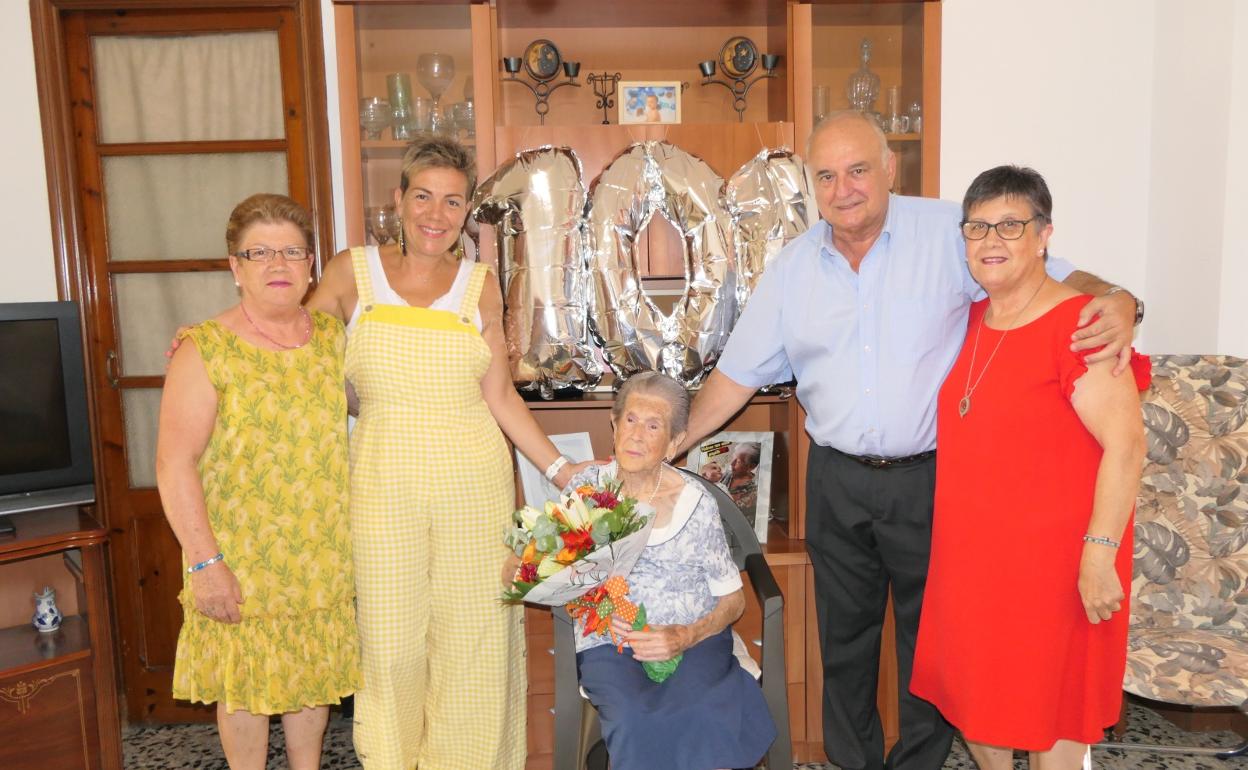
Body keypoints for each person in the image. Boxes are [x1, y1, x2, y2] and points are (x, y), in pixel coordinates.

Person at [678, 110, 1143, 770]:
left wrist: (1120, 299)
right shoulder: (793, 268)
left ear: (890, 168)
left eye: (858, 170)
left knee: (934, 641)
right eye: (826, 175)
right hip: (836, 478)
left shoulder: (953, 233)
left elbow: (1055, 279)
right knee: (844, 637)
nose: (843, 189)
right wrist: (672, 442)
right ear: (812, 183)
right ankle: (854, 762)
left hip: (933, 478)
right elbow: (734, 377)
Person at [308, 135, 592, 769]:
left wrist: (560, 468)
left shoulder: (481, 285)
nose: (436, 215)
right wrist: (217, 338)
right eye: (423, 197)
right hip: (382, 490)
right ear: (398, 200)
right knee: (390, 646)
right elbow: (292, 346)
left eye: (453, 202)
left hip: (474, 486)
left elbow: (500, 395)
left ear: (467, 213)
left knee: (475, 643)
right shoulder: (351, 273)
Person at [909, 166, 1148, 768]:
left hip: (1057, 568)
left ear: (1044, 236)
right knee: (975, 703)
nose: (991, 240)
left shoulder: (1081, 327)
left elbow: (1126, 446)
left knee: (1051, 717)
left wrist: (1099, 555)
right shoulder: (973, 319)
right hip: (973, 561)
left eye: (1011, 225)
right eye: (978, 227)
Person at [156, 193, 359, 770]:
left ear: (310, 264)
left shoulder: (333, 339)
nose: (277, 265)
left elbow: (377, 403)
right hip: (241, 558)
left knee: (312, 681)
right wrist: (205, 563)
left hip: (320, 556)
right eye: (259, 253)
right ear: (235, 266)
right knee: (244, 687)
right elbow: (173, 464)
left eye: (291, 252)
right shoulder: (204, 348)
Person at [568, 371, 776, 770]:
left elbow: (734, 601)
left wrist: (685, 635)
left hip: (692, 639)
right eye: (630, 420)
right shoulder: (585, 491)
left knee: (701, 708)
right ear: (613, 424)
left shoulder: (696, 503)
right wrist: (527, 570)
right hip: (611, 643)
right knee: (634, 718)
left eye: (653, 426)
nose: (636, 435)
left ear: (674, 442)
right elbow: (542, 565)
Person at [724, 441, 761, 514]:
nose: (731, 464)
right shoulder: (726, 475)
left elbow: (729, 511)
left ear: (751, 466)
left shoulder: (754, 492)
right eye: (733, 457)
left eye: (738, 461)